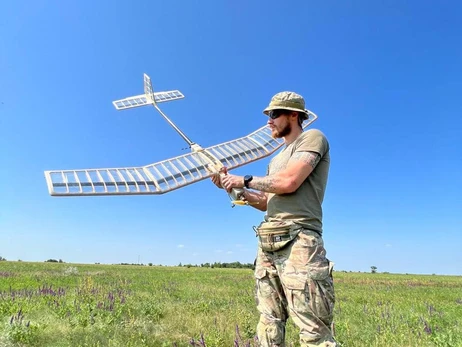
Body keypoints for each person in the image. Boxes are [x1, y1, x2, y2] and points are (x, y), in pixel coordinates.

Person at [211, 91, 336, 347]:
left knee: (313, 328)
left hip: (299, 240)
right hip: (268, 241)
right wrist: (235, 189)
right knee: (269, 321)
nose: (269, 120)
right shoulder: (276, 159)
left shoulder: (313, 138)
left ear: (294, 115)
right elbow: (266, 202)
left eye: (274, 114)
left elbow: (289, 182)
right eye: (268, 115)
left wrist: (243, 178)